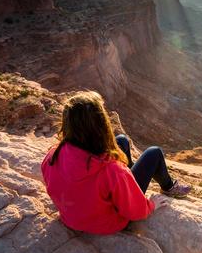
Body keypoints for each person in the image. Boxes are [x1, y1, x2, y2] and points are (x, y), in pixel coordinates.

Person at [41, 91, 191, 235]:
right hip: (108, 224)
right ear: (101, 125)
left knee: (122, 141)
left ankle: (130, 184)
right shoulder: (112, 171)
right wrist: (151, 204)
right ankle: (169, 188)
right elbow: (135, 212)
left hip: (72, 218)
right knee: (154, 153)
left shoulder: (52, 156)